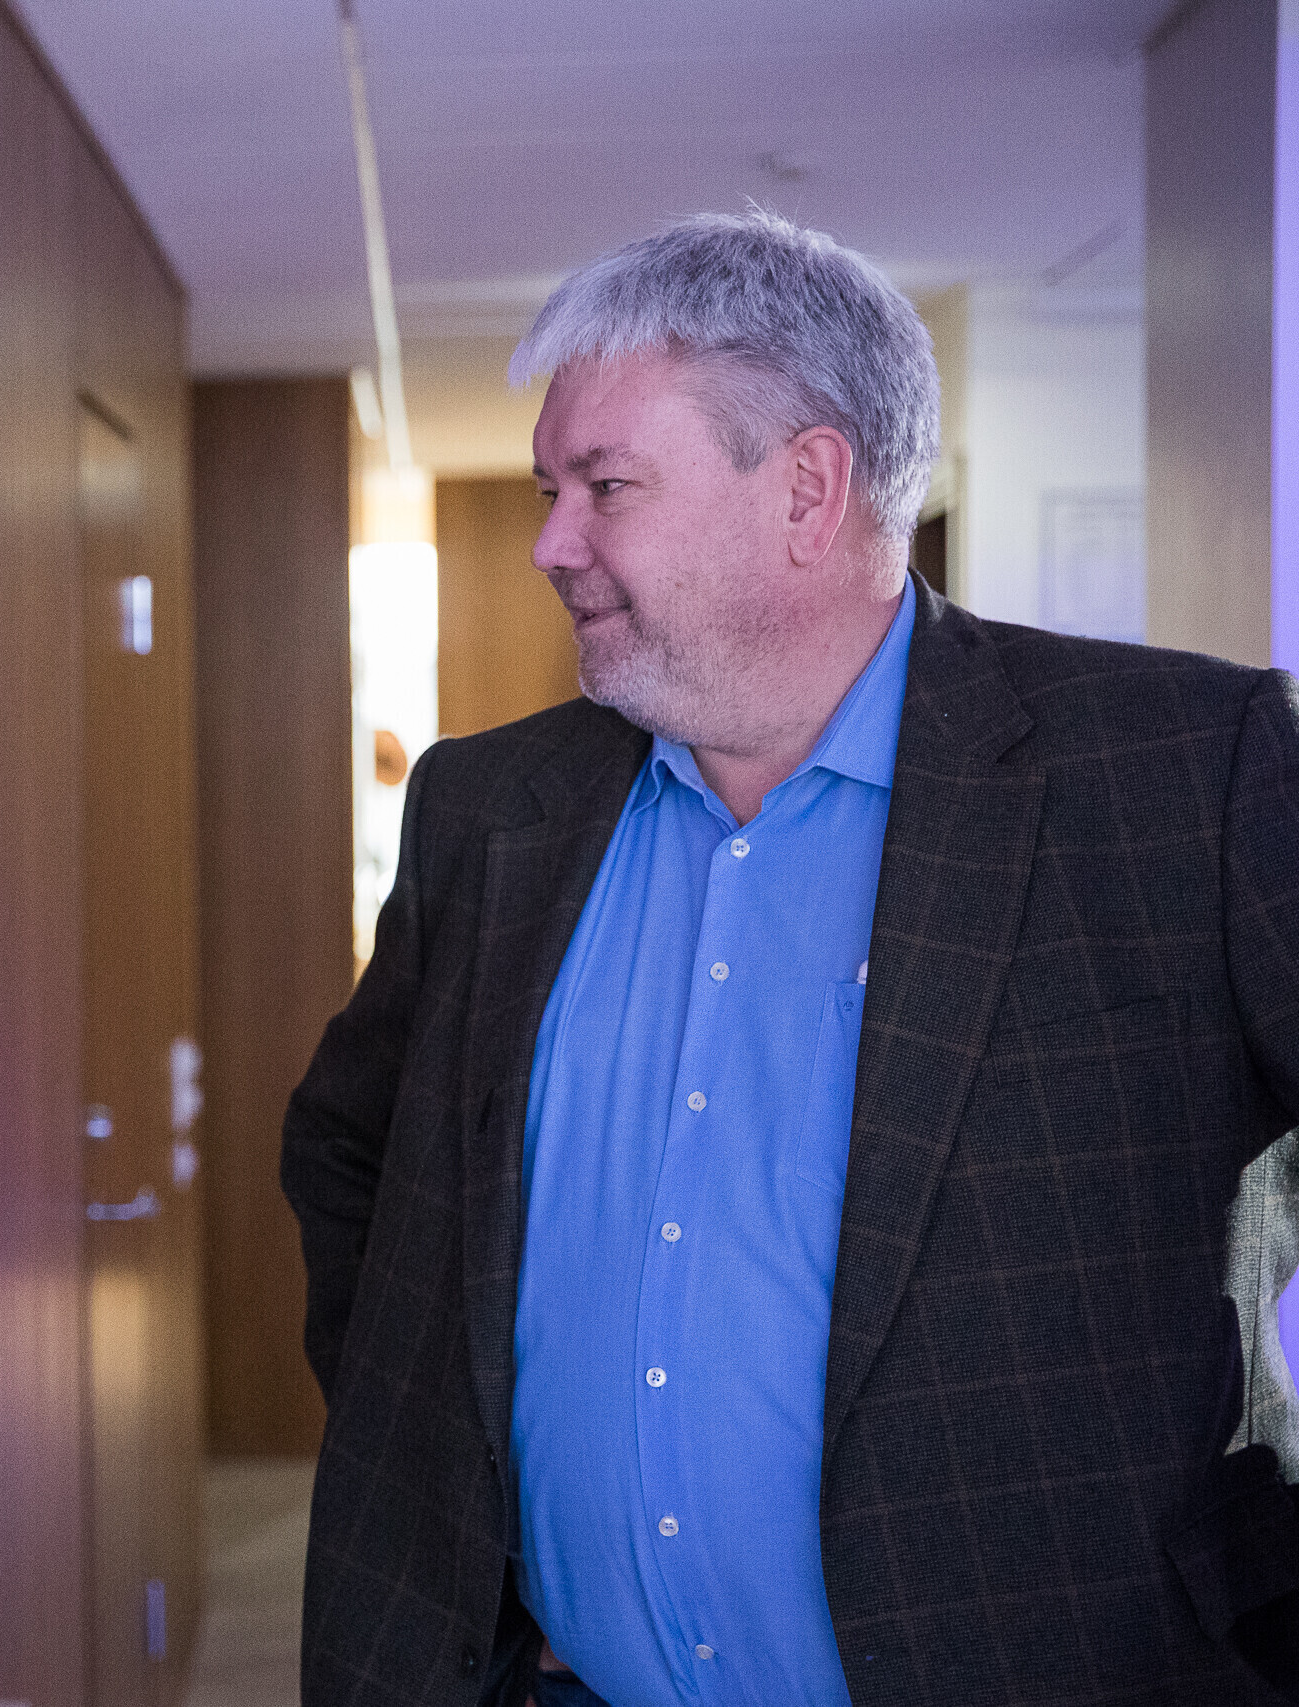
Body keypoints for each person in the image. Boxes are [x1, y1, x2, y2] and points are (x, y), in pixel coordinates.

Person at [282, 212, 1299, 1707]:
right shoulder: (490, 811)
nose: (552, 541)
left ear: (809, 490)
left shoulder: (1182, 774)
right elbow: (357, 1160)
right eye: (554, 490)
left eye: (605, 487)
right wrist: (444, 1482)